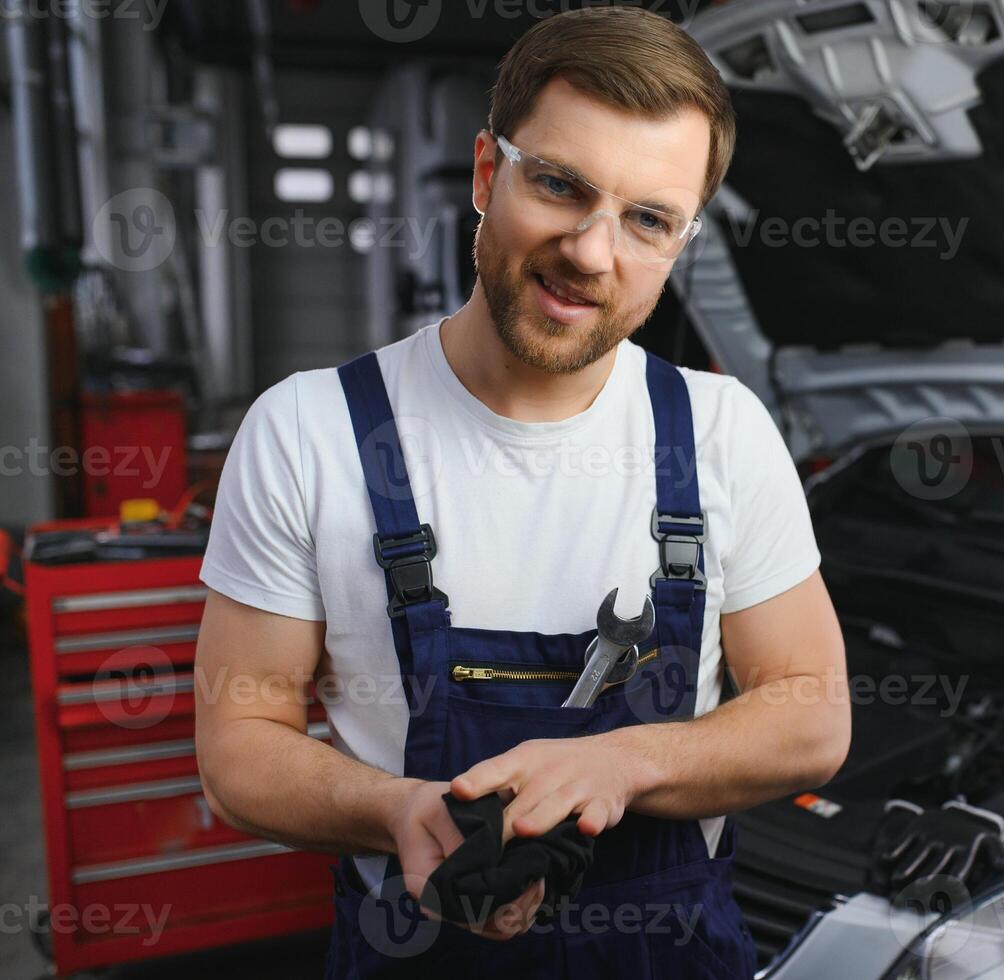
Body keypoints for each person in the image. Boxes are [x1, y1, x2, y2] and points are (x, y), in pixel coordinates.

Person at [193, 6, 850, 977]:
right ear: (486, 173)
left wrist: (624, 762)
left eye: (647, 219)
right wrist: (396, 809)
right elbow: (239, 741)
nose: (591, 251)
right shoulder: (307, 432)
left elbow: (812, 710)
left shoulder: (722, 431)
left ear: (682, 242)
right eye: (558, 184)